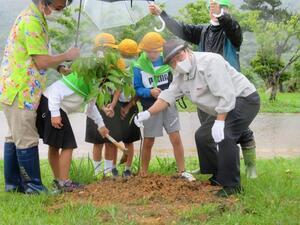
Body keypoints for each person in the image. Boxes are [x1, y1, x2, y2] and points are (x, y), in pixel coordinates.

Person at [135, 40, 260, 197]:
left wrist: (220, 122)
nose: (177, 63)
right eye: (172, 62)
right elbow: (168, 96)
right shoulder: (180, 75)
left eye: (179, 56)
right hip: (222, 106)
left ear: (187, 51)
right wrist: (148, 113)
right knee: (203, 136)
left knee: (226, 135)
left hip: (243, 98)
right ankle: (217, 175)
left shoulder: (210, 62)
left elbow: (226, 94)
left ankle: (232, 186)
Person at [149, 0, 258, 178]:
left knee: (235, 129)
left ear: (226, 10)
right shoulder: (203, 31)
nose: (215, 11)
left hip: (228, 87)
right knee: (207, 131)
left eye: (221, 8)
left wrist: (222, 15)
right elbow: (181, 29)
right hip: (202, 85)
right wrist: (162, 14)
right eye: (213, 8)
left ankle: (250, 166)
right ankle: (212, 166)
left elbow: (233, 27)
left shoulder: (231, 31)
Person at [0, 0, 80, 194]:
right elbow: (42, 61)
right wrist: (67, 54)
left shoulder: (38, 17)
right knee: (26, 139)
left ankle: (14, 186)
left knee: (15, 137)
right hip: (21, 89)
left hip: (21, 88)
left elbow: (40, 55)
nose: (63, 8)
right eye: (60, 5)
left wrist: (60, 67)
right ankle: (34, 188)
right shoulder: (31, 21)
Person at [133, 32, 195, 181]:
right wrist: (150, 92)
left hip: (168, 104)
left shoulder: (167, 61)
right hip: (150, 105)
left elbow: (176, 80)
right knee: (148, 140)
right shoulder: (138, 66)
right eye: (149, 51)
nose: (152, 54)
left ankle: (182, 171)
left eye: (155, 51)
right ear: (144, 50)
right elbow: (137, 88)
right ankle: (144, 172)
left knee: (175, 137)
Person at [36, 71, 109, 192]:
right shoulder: (81, 78)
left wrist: (101, 125)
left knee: (54, 146)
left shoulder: (94, 85)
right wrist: (55, 113)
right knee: (68, 145)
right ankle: (64, 183)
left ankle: (59, 181)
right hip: (52, 105)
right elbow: (55, 90)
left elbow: (91, 106)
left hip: (53, 106)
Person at [85, 33, 125, 177]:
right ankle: (97, 172)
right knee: (97, 141)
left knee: (111, 141)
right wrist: (103, 107)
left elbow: (118, 86)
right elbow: (91, 90)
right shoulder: (92, 66)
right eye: (103, 49)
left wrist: (113, 105)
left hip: (112, 107)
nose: (106, 52)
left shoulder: (118, 63)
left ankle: (108, 172)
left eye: (109, 49)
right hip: (95, 106)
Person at [117, 39, 141, 177]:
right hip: (129, 105)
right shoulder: (137, 67)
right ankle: (127, 169)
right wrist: (128, 107)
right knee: (129, 140)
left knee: (119, 139)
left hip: (119, 105)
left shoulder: (117, 66)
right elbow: (138, 92)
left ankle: (114, 168)